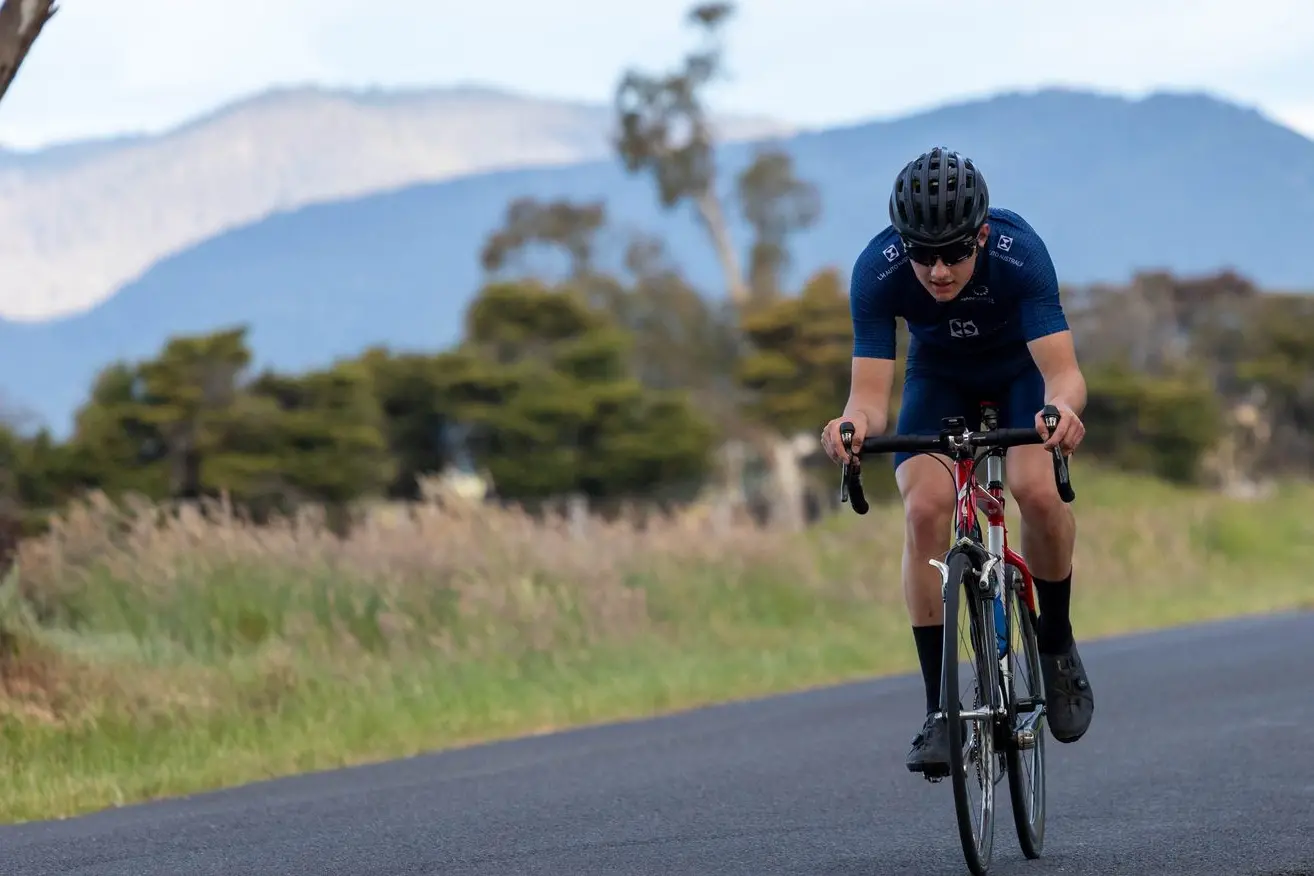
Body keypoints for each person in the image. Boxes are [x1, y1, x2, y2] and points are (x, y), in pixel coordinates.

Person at [820, 146, 1095, 778]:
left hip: (1020, 376)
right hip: (939, 379)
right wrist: (849, 429)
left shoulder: (1020, 253)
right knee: (924, 509)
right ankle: (939, 710)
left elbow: (1064, 376)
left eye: (954, 253)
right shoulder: (876, 270)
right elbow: (868, 401)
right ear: (903, 244)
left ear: (982, 236)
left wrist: (1061, 412)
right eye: (922, 254)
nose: (938, 271)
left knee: (1036, 489)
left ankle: (1055, 644)